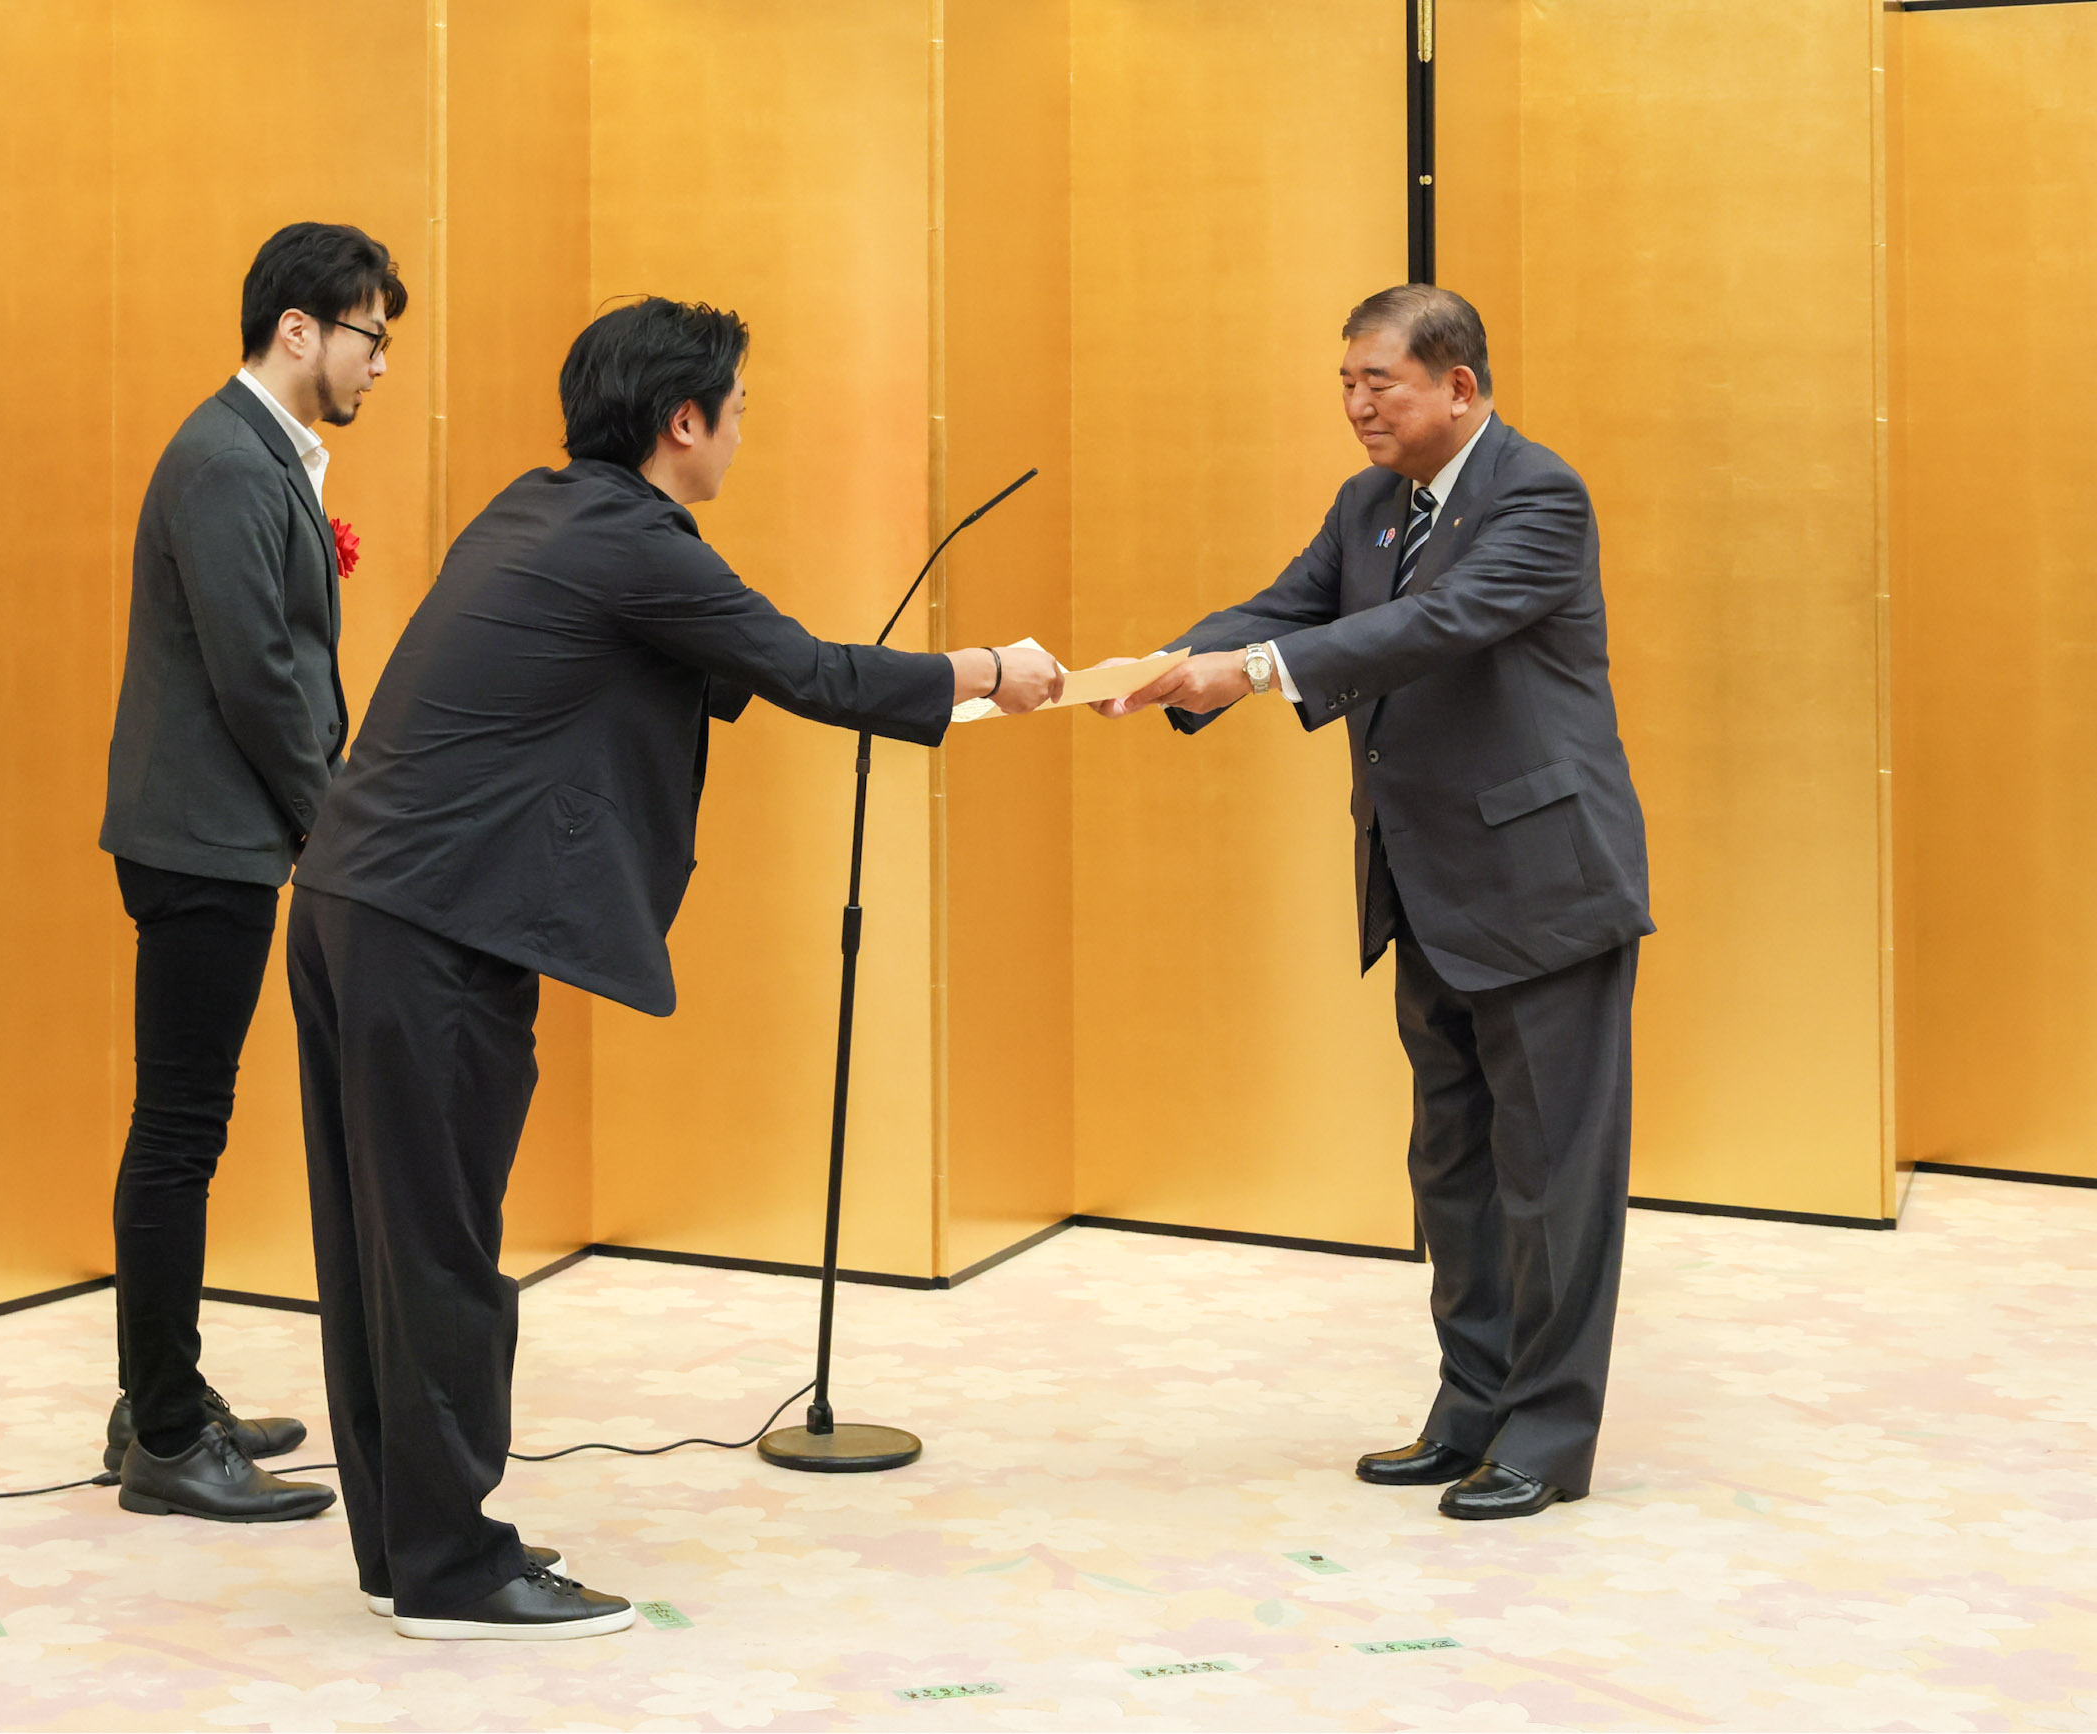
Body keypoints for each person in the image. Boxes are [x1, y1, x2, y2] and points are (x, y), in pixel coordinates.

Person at [287, 297, 1063, 1638]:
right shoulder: (635, 543)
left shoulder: (544, 511)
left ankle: (405, 1544)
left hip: (354, 903)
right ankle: (455, 1572)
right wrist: (994, 667)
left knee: (387, 1249)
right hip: (432, 931)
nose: (745, 431)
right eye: (739, 408)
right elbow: (804, 666)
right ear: (681, 420)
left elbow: (705, 670)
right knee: (443, 1253)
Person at [1100, 284, 1651, 1521]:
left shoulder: (1536, 495)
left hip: (1543, 890)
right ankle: (1468, 1411)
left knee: (1551, 1178)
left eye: (1378, 383)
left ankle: (1545, 1438)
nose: (1355, 406)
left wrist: (1243, 672)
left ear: (1458, 386)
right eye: (1344, 384)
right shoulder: (1367, 505)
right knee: (1451, 1167)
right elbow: (1287, 608)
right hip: (1425, 887)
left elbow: (1435, 624)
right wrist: (1156, 668)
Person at [95, 222, 404, 1523]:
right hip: (201, 843)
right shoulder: (229, 459)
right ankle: (165, 1432)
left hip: (219, 835)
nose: (381, 363)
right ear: (300, 330)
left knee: (186, 1127)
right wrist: (331, 822)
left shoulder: (260, 451)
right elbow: (259, 676)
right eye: (370, 336)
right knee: (179, 1133)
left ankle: (158, 1392)